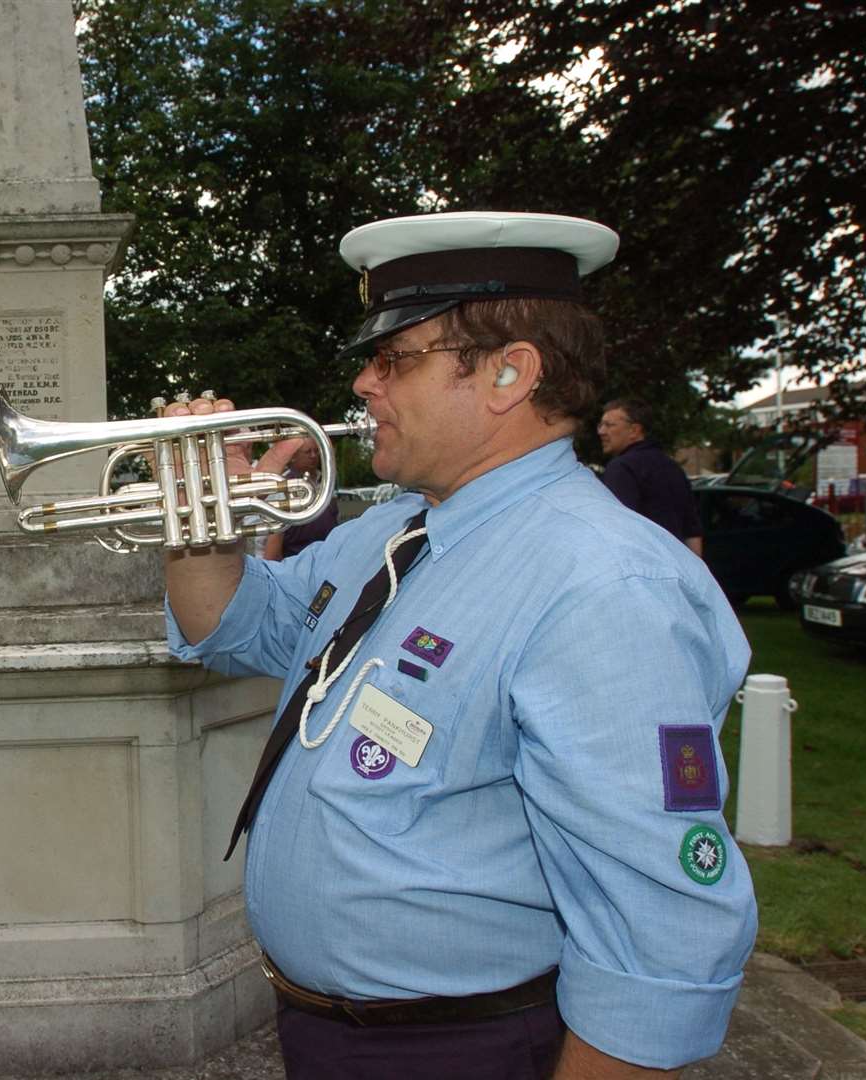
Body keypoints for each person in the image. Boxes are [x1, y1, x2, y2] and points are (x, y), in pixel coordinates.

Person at [164, 212, 755, 1079]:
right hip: (333, 1034)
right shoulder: (394, 530)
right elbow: (233, 628)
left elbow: (660, 931)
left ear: (510, 374)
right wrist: (201, 524)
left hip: (464, 1048)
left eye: (393, 359)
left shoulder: (601, 584)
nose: (364, 384)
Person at [599, 398, 705, 556]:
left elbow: (617, 531)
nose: (601, 432)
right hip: (678, 569)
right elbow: (692, 531)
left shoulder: (622, 469)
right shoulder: (673, 468)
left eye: (609, 425)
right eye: (600, 425)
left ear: (634, 430)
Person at [261, 442, 339, 561]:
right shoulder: (281, 487)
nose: (313, 456)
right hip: (296, 565)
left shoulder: (326, 482)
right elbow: (271, 550)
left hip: (328, 561)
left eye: (316, 451)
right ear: (293, 457)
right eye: (308, 452)